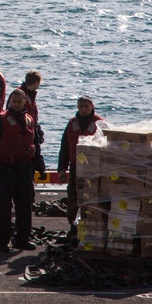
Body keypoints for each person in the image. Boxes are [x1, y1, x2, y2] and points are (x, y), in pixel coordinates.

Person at [0, 88, 42, 252]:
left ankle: (22, 239)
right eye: (13, 102)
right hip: (5, 167)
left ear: (24, 102)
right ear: (10, 102)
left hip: (24, 168)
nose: (16, 105)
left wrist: (40, 165)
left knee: (25, 204)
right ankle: (1, 241)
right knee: (4, 206)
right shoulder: (1, 120)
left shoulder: (30, 120)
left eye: (19, 102)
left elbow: (35, 145)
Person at [57, 95, 103, 244]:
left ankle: (92, 229)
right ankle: (73, 229)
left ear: (92, 106)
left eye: (86, 106)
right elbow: (64, 147)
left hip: (93, 169)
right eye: (80, 107)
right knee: (73, 198)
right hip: (76, 167)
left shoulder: (100, 123)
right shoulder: (72, 124)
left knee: (91, 200)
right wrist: (62, 168)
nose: (83, 109)